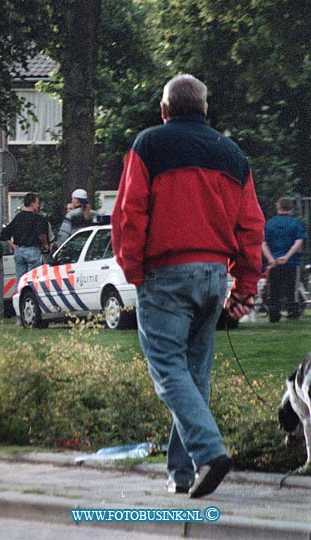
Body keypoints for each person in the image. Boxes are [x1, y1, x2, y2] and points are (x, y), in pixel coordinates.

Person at [112, 74, 264, 499]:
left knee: (167, 370)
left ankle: (210, 453)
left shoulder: (149, 144)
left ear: (164, 111)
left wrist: (133, 270)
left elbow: (130, 212)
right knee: (193, 374)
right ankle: (183, 475)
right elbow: (251, 225)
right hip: (214, 275)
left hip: (165, 272)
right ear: (206, 110)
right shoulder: (232, 154)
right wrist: (245, 286)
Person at [262, 197, 307, 322]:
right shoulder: (295, 223)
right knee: (291, 289)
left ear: (278, 208)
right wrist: (287, 256)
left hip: (274, 262)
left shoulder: (269, 224)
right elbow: (299, 241)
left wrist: (271, 259)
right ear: (291, 208)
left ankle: (274, 315)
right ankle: (292, 313)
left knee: (274, 289)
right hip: (291, 262)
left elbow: (263, 243)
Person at [0, 192, 51, 285]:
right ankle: (30, 297)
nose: (38, 206)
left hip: (19, 251)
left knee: (20, 279)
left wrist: (13, 245)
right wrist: (45, 244)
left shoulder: (18, 217)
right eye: (37, 203)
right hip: (33, 250)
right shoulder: (38, 218)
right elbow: (41, 235)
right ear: (32, 204)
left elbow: (4, 234)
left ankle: (20, 296)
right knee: (32, 279)